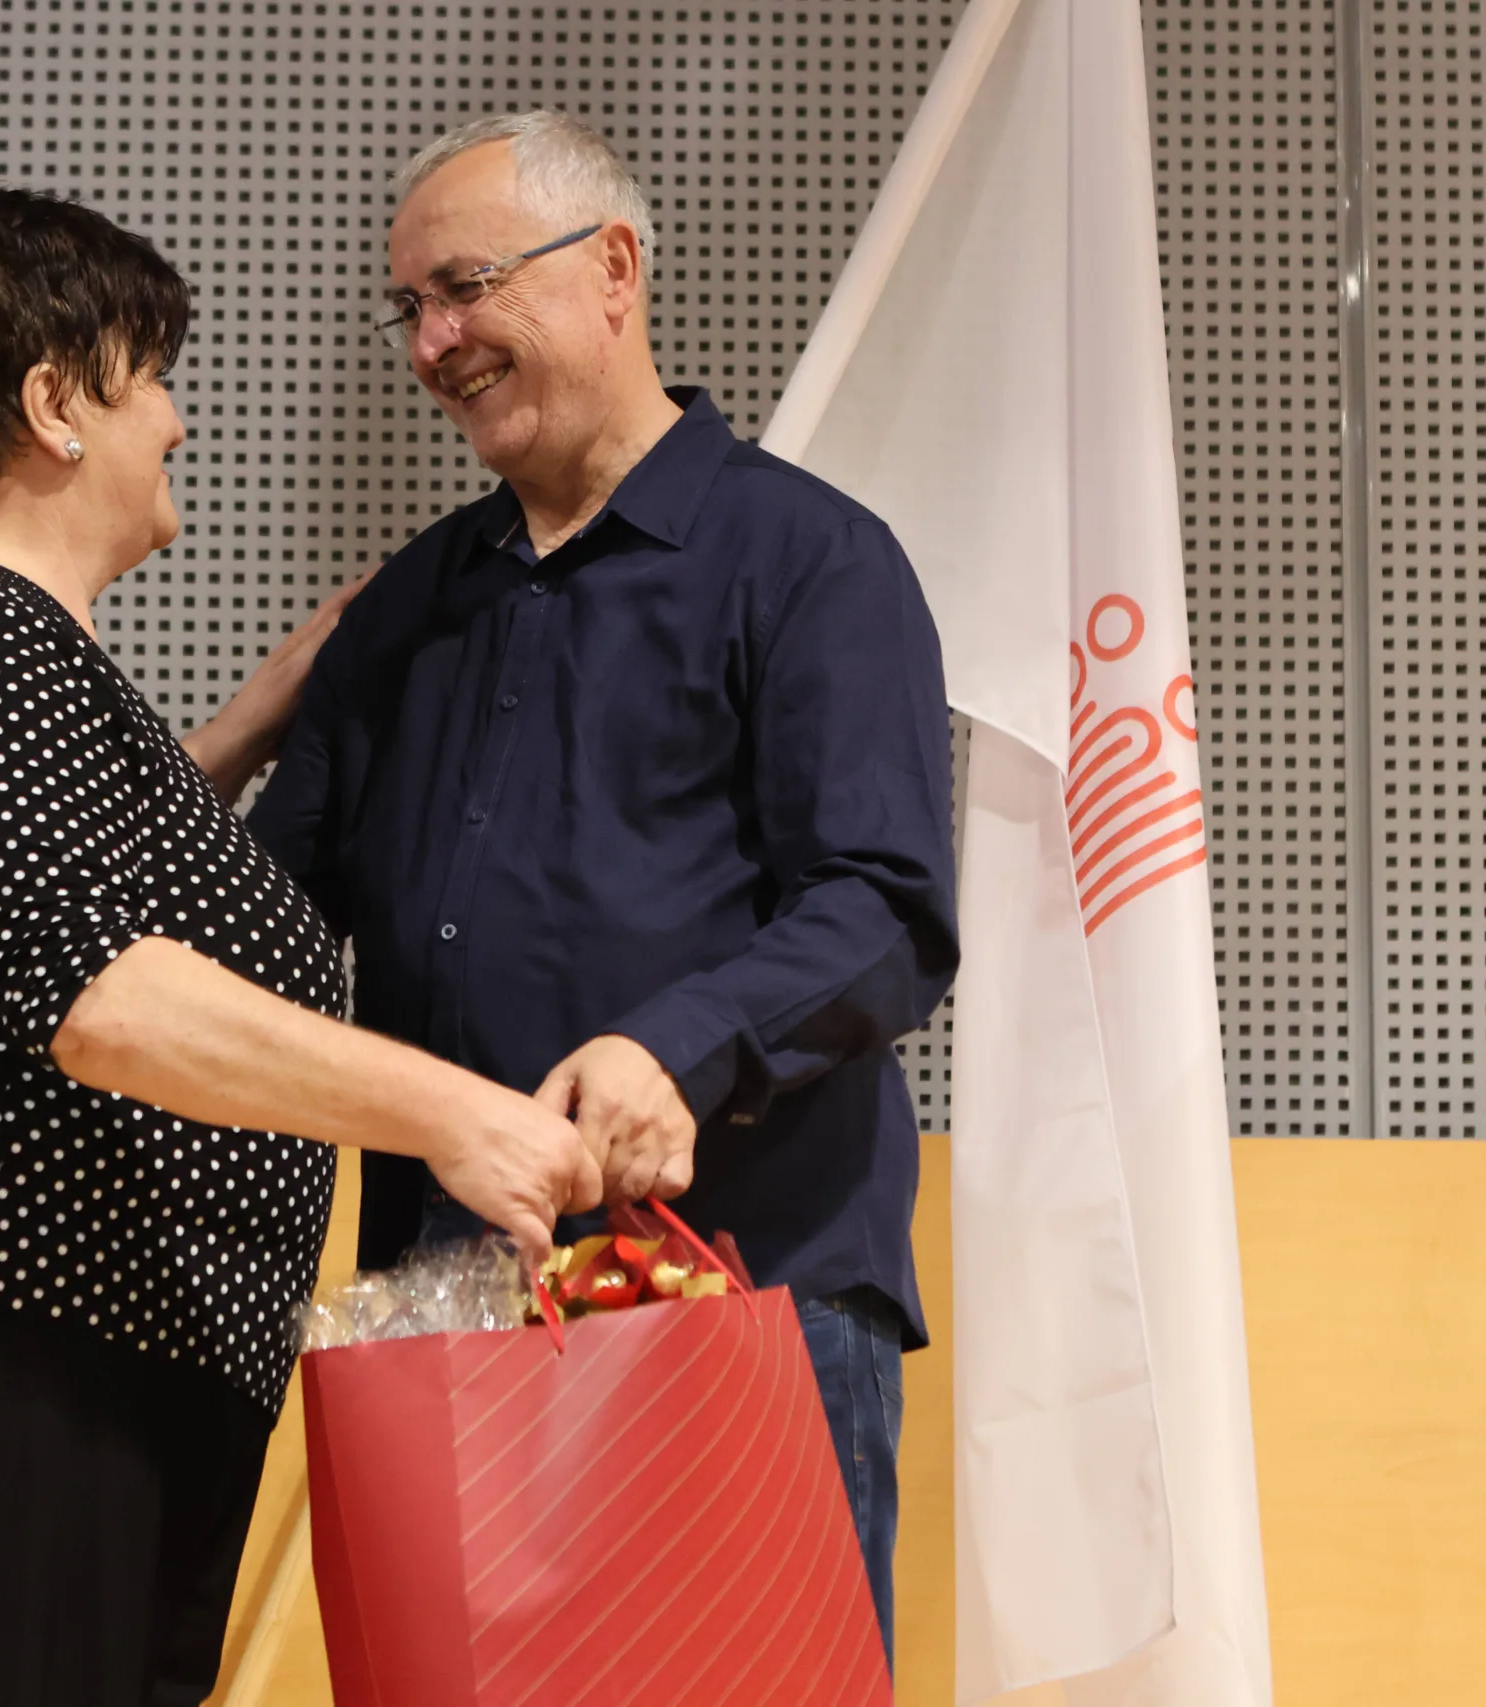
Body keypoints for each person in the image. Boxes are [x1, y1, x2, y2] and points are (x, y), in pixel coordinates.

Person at [0, 187, 601, 1707]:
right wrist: (459, 1115)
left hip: (65, 1361)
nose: (179, 421)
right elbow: (103, 993)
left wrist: (258, 714)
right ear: (53, 406)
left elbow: (45, 881)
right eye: (151, 379)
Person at [240, 111, 961, 1665]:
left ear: (614, 268)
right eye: (410, 308)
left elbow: (885, 906)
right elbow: (257, 939)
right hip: (446, 1323)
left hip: (745, 1298)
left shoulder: (815, 561)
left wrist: (675, 1048)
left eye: (465, 287)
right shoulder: (403, 613)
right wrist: (224, 733)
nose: (431, 344)